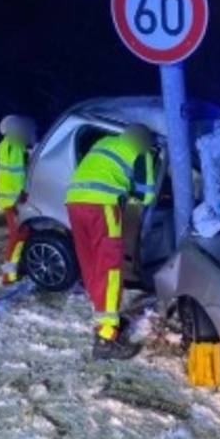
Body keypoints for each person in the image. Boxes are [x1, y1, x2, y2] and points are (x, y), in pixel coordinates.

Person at [65, 124, 156, 360]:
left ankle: (104, 316)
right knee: (110, 268)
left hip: (75, 203)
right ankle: (106, 338)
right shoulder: (141, 152)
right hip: (102, 205)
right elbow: (146, 195)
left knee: (92, 264)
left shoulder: (104, 143)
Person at [0, 115, 35, 285]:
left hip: (8, 200)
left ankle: (15, 269)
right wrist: (22, 194)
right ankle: (8, 274)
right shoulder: (14, 146)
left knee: (21, 234)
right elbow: (16, 174)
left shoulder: (3, 146)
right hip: (13, 201)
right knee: (17, 235)